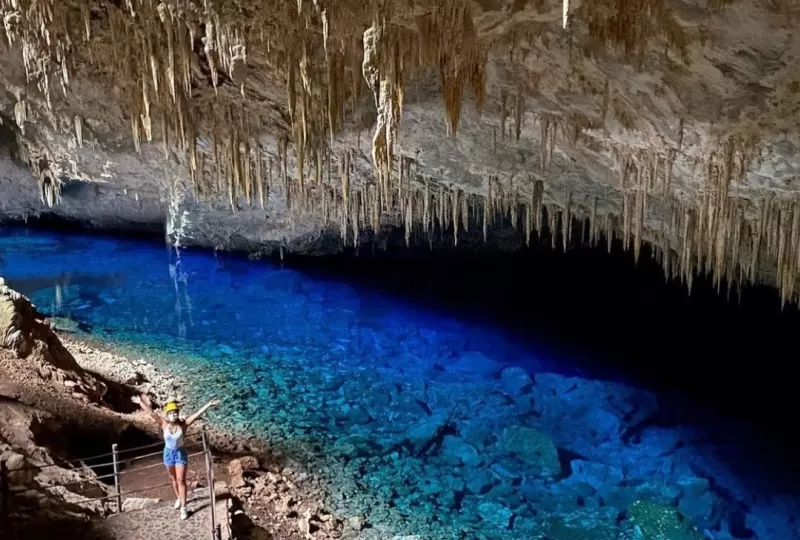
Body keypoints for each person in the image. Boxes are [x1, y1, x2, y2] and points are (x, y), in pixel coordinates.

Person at [133, 393, 220, 520]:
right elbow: (151, 413)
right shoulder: (163, 424)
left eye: (175, 413)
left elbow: (196, 415)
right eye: (171, 413)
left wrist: (208, 405)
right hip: (168, 453)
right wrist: (140, 401)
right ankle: (179, 497)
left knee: (181, 480)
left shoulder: (183, 425)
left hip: (180, 453)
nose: (173, 415)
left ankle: (184, 508)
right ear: (167, 415)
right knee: (173, 479)